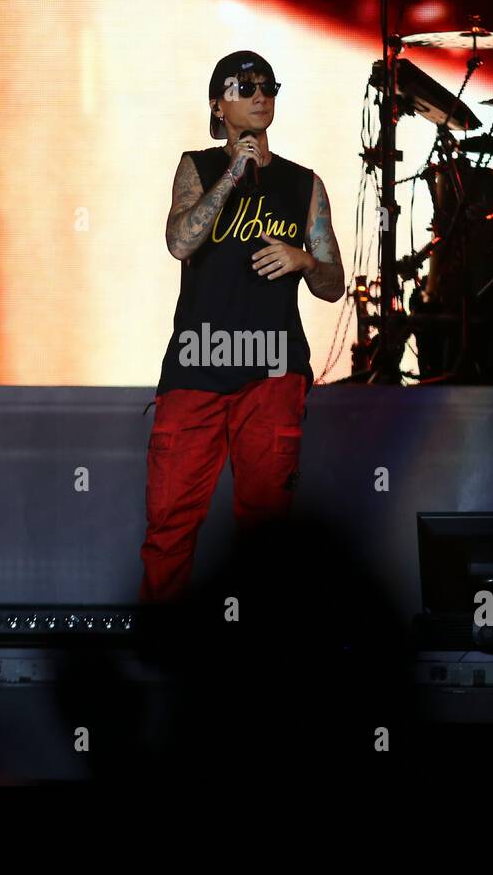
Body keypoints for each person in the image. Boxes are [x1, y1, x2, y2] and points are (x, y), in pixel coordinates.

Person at [137, 51, 344, 602]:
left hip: (273, 372)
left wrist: (305, 261)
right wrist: (233, 172)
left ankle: (261, 658)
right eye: (245, 86)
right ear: (218, 104)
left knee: (267, 527)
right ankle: (162, 656)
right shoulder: (198, 167)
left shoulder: (304, 184)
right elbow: (180, 242)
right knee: (170, 521)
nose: (260, 94)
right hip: (197, 365)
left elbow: (333, 283)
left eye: (269, 85)